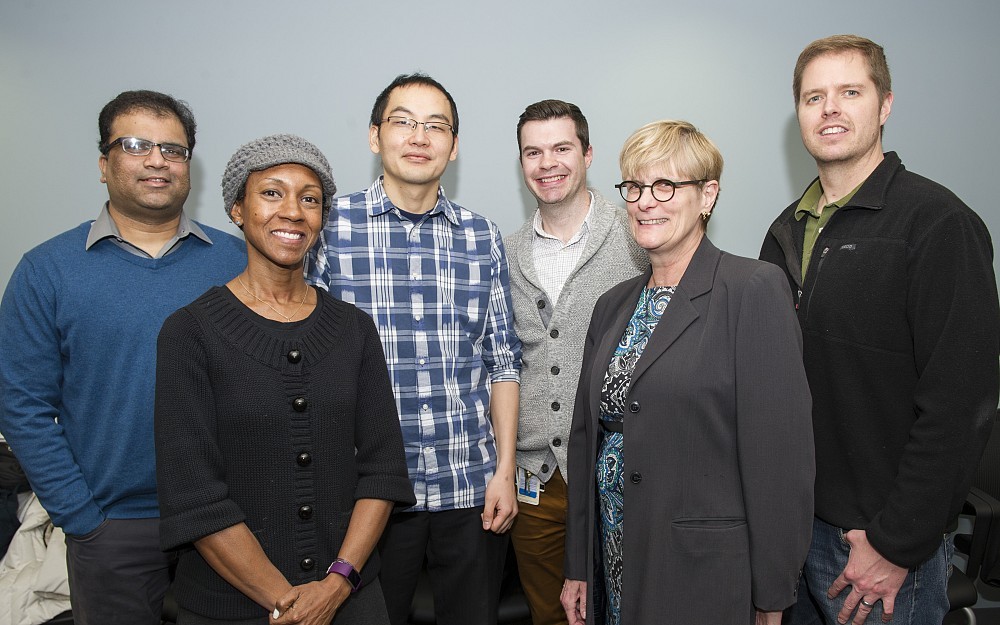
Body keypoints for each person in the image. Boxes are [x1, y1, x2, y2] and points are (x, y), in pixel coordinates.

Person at [759, 35, 1000, 625]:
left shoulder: (939, 226)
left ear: (885, 104)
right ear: (799, 114)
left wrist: (896, 544)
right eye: (814, 96)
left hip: (878, 550)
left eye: (850, 92)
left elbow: (959, 406)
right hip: (794, 530)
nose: (830, 108)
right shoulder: (785, 233)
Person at [0, 90, 246, 625]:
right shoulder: (47, 271)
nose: (157, 159)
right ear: (103, 164)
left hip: (231, 519)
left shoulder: (238, 261)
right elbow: (22, 404)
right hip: (113, 525)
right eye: (136, 145)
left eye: (173, 149)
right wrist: (82, 517)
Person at [155, 134, 415, 625]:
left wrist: (336, 585)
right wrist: (288, 601)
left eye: (310, 199)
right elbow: (196, 497)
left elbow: (382, 470)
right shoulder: (189, 333)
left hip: (351, 600)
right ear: (237, 209)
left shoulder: (353, 329)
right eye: (272, 193)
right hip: (232, 606)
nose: (293, 211)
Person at [562, 120, 814, 625]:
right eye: (634, 186)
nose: (645, 201)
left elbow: (780, 460)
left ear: (708, 195)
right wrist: (577, 567)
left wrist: (772, 596)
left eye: (665, 185)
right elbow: (585, 438)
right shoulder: (612, 307)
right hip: (613, 552)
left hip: (702, 569)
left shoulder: (752, 290)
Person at [306, 74, 522, 625]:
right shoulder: (329, 228)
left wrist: (503, 471)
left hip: (470, 487)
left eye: (436, 125)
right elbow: (307, 363)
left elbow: (501, 361)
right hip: (370, 496)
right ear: (375, 137)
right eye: (403, 121)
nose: (419, 136)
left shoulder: (482, 236)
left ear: (454, 145)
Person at [504, 99, 645, 625]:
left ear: (588, 153)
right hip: (536, 480)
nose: (548, 163)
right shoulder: (508, 252)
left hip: (621, 467)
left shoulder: (636, 234)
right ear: (521, 164)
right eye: (533, 152)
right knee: (553, 616)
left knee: (632, 606)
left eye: (561, 148)